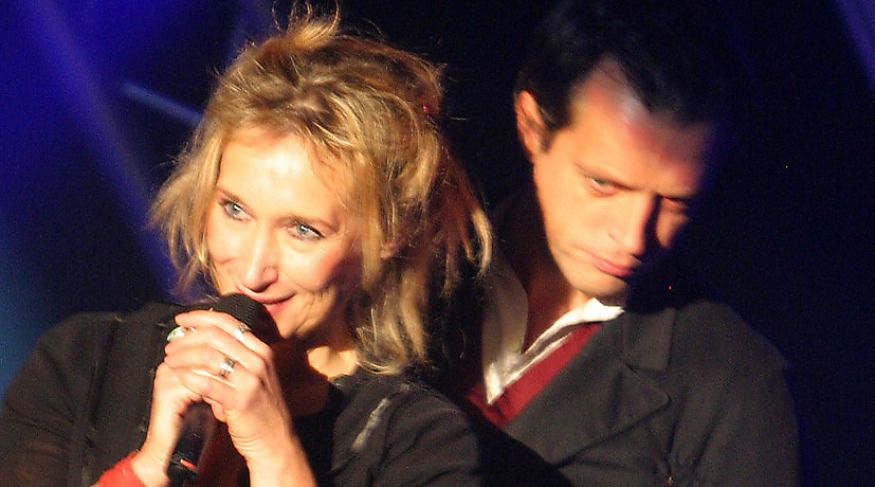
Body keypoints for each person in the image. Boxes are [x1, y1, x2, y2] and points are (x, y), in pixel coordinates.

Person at [0, 5, 492, 487]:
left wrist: (275, 453)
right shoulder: (85, 361)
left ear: (390, 233)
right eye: (235, 210)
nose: (253, 271)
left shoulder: (420, 445)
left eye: (302, 230)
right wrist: (146, 470)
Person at [432, 0, 802, 485]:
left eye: (676, 202)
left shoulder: (734, 388)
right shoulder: (410, 255)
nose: (632, 239)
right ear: (531, 127)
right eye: (603, 183)